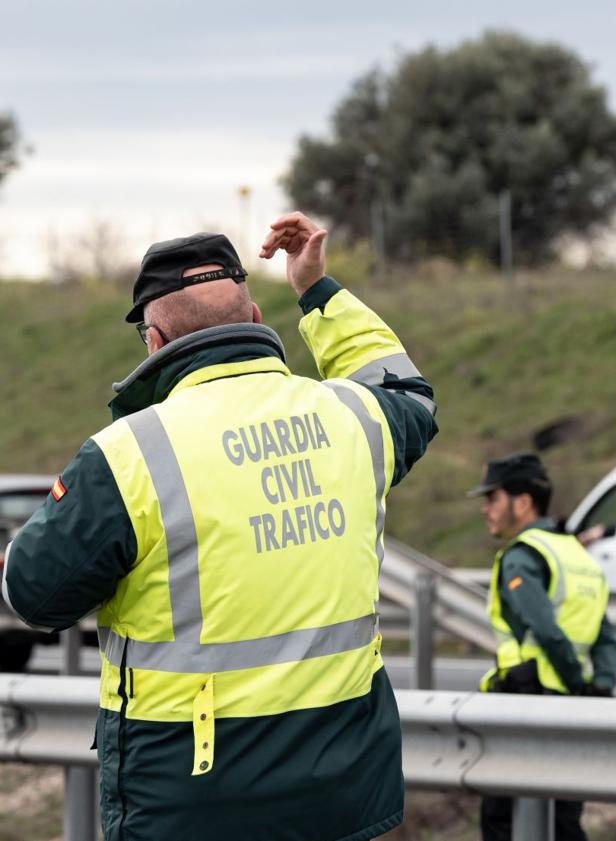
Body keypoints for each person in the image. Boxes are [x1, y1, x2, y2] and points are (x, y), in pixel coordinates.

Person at [2, 212, 438, 841]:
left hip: (193, 800)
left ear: (153, 343)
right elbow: (408, 393)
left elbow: (34, 596)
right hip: (340, 794)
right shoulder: (352, 418)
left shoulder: (129, 456)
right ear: (256, 322)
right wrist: (317, 291)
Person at [468, 452, 616, 841]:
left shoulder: (523, 557)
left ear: (522, 502)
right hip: (576, 708)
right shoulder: (577, 556)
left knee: (503, 820)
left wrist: (572, 679)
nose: (486, 509)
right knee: (563, 820)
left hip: (527, 704)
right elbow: (606, 639)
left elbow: (546, 630)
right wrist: (597, 687)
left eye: (493, 498)